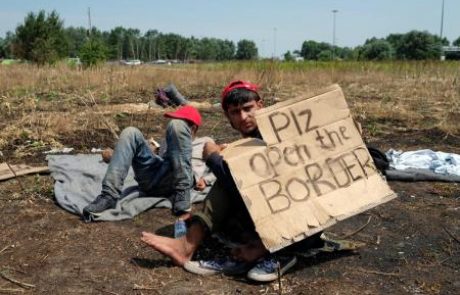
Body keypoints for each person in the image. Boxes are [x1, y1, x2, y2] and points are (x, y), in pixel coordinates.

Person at [141, 80, 323, 282]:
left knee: (227, 178)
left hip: (300, 222)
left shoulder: (279, 135)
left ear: (260, 106)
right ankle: (204, 243)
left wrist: (213, 159)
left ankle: (268, 249)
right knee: (227, 182)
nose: (243, 117)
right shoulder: (245, 143)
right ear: (228, 116)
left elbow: (251, 187)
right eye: (235, 112)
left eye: (248, 109)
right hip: (266, 217)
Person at [82, 105, 202, 223]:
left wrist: (206, 179)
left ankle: (182, 194)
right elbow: (153, 155)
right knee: (130, 132)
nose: (174, 128)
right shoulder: (168, 140)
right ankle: (108, 196)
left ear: (193, 128)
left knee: (176, 126)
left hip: (177, 180)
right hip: (153, 176)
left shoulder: (204, 142)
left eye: (183, 124)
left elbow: (217, 162)